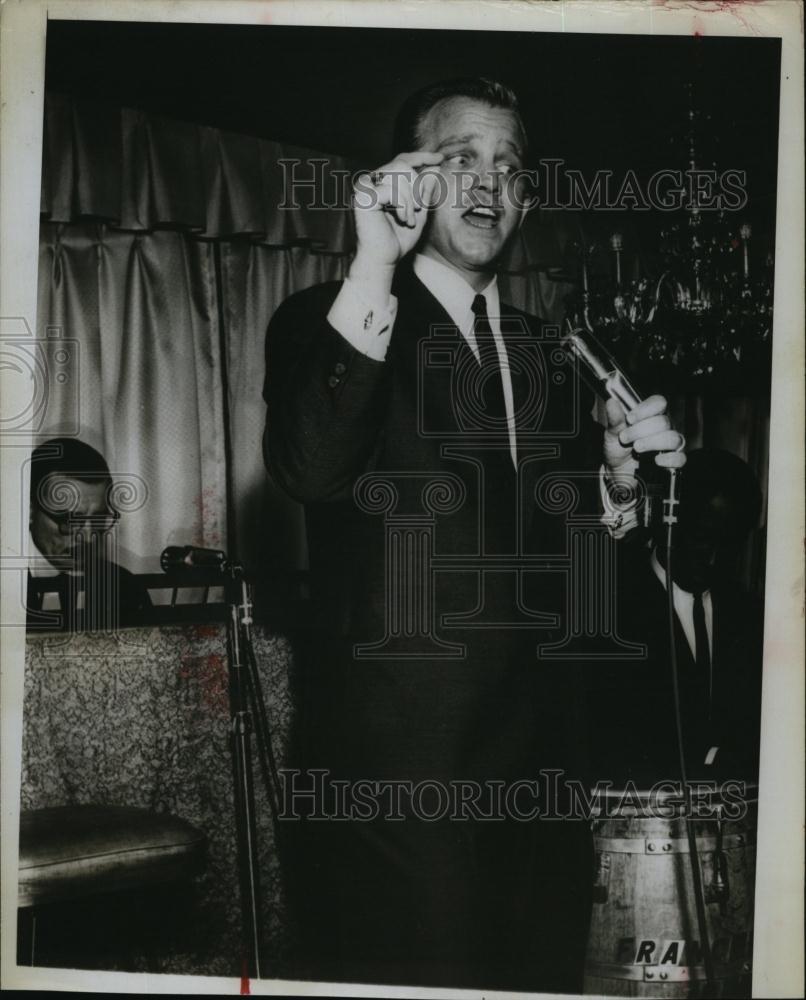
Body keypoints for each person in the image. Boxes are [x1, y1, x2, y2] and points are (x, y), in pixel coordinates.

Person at [263, 78, 685, 991]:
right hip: (404, 785)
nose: (489, 183)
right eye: (460, 159)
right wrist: (373, 262)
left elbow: (579, 584)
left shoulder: (559, 358)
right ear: (409, 178)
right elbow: (309, 472)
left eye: (510, 166)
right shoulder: (332, 321)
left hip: (547, 779)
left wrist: (616, 489)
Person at [581, 448, 765, 786]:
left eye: (729, 545)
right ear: (667, 517)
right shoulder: (606, 610)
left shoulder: (752, 616)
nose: (712, 560)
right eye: (702, 539)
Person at [27, 437, 151, 631]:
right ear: (29, 511)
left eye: (98, 520)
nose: (87, 537)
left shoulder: (125, 587)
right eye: (69, 520)